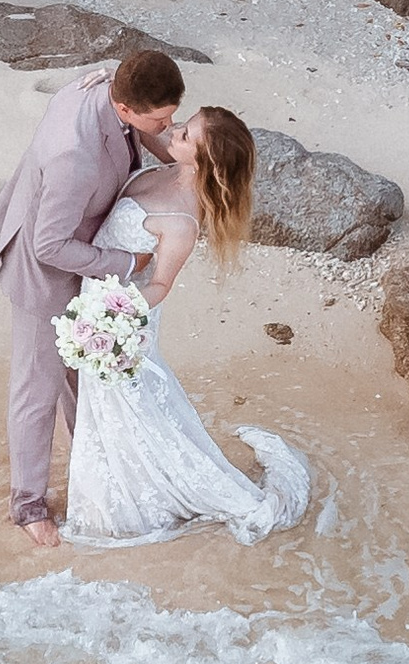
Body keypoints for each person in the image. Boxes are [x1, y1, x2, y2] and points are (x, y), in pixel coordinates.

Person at [60, 105, 310, 548]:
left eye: (186, 135)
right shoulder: (166, 164)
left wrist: (117, 316)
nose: (175, 131)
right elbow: (134, 121)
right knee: (114, 411)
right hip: (96, 302)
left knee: (124, 411)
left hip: (122, 320)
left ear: (202, 160)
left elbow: (160, 285)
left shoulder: (181, 223)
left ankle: (128, 502)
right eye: (184, 123)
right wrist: (104, 84)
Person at [0, 47, 185, 547]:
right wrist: (127, 264)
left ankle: (95, 472)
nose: (166, 127)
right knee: (38, 390)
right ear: (125, 108)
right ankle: (27, 505)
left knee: (86, 376)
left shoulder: (110, 82)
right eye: (160, 120)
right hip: (46, 271)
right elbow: (48, 245)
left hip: (85, 246)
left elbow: (142, 140)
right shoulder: (73, 155)